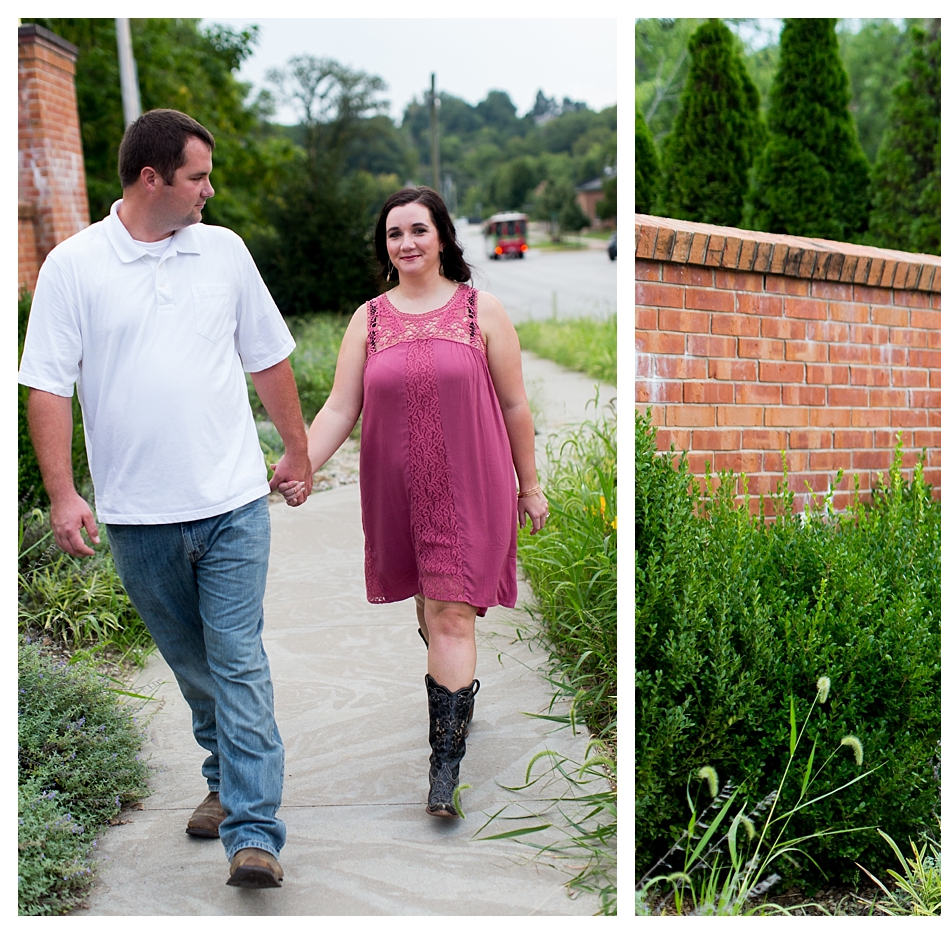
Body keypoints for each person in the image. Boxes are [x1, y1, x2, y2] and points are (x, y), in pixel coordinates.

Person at [20, 108, 311, 889]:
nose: (209, 191)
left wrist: (296, 446)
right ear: (152, 178)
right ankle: (225, 776)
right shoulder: (74, 266)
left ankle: (254, 832)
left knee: (238, 659)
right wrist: (62, 492)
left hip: (230, 502)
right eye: (198, 177)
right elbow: (46, 382)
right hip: (137, 516)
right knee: (193, 665)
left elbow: (269, 356)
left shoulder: (223, 253)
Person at [279, 186, 548, 818]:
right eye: (395, 234)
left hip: (471, 483)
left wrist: (528, 485)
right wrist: (301, 465)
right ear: (386, 247)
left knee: (454, 615)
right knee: (433, 613)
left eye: (419, 230)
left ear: (444, 238)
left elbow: (515, 405)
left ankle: (443, 770)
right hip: (397, 488)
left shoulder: (483, 311)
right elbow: (342, 407)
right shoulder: (368, 319)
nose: (407, 243)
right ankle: (458, 698)